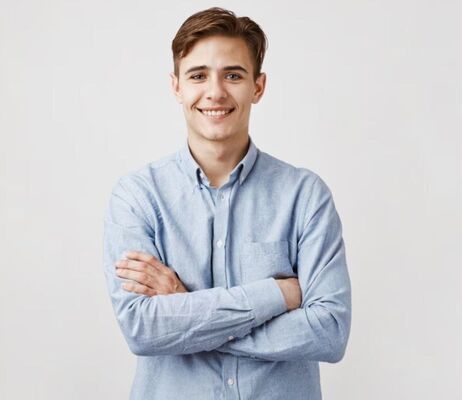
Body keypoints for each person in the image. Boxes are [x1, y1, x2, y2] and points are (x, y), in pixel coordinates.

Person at [103, 7, 351, 400]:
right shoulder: (137, 196)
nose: (215, 92)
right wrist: (277, 295)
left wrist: (185, 312)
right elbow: (143, 329)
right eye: (198, 75)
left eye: (233, 75)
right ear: (176, 86)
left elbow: (329, 331)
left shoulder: (305, 196)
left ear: (258, 87)